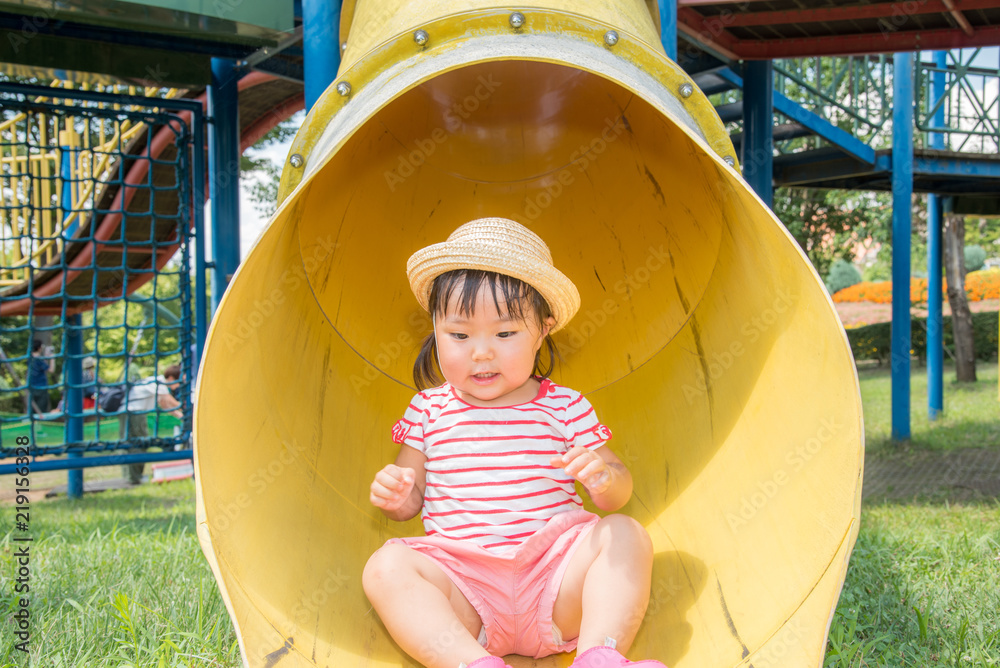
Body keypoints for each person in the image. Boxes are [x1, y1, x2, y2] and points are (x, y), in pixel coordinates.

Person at [363, 218, 665, 668]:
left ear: (542, 331)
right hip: (466, 593)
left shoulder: (565, 406)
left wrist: (603, 478)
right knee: (386, 567)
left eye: (505, 334)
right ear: (435, 330)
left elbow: (619, 492)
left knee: (625, 533)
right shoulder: (427, 409)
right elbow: (411, 502)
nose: (481, 352)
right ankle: (472, 663)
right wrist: (398, 494)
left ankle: (599, 657)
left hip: (556, 580)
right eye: (459, 335)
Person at [119, 363, 183, 484]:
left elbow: (165, 406)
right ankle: (134, 478)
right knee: (138, 444)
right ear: (171, 378)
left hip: (128, 412)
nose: (178, 385)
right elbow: (169, 401)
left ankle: (132, 476)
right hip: (134, 413)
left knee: (131, 444)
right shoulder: (159, 382)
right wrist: (184, 408)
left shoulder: (155, 383)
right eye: (178, 381)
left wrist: (182, 416)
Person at [28, 339, 55, 414]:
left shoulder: (30, 358)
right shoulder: (38, 359)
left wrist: (46, 356)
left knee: (32, 410)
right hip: (41, 388)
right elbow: (51, 370)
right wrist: (52, 358)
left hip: (32, 387)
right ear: (39, 348)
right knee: (41, 410)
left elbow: (42, 366)